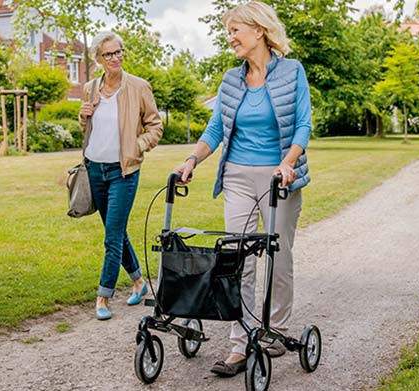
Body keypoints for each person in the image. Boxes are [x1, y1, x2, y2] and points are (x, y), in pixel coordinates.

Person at [172, 1, 312, 377]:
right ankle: (241, 341)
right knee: (237, 257)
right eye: (229, 30)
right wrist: (191, 160)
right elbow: (215, 129)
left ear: (259, 31)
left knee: (277, 259)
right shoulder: (231, 80)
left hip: (277, 177)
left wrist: (288, 162)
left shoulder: (292, 73)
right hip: (236, 174)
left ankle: (276, 331)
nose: (230, 37)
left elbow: (303, 125)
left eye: (236, 30)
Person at [79, 31, 163, 321]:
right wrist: (83, 114)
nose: (115, 58)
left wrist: (137, 146)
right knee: (116, 232)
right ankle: (139, 282)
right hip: (95, 169)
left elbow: (155, 127)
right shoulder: (90, 87)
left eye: (118, 52)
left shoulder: (138, 87)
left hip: (123, 171)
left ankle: (104, 295)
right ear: (98, 59)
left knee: (111, 237)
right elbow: (87, 127)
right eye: (108, 54)